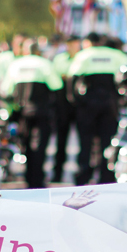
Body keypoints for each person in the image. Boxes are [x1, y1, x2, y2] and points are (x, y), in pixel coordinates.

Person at [67, 33, 127, 185]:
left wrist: (75, 100)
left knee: (85, 142)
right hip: (110, 104)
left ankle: (83, 176)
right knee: (107, 141)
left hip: (89, 104)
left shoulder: (84, 55)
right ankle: (106, 177)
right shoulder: (116, 55)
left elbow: (72, 79)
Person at [0, 39, 62, 188]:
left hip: (22, 113)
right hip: (42, 111)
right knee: (40, 145)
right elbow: (57, 86)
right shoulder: (44, 64)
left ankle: (28, 176)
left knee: (25, 144)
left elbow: (6, 90)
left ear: (25, 50)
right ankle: (38, 177)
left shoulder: (16, 65)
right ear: (38, 51)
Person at [49, 36, 80, 184]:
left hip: (80, 106)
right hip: (62, 104)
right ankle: (57, 173)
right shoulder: (60, 59)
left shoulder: (83, 58)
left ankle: (81, 175)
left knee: (85, 142)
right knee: (61, 141)